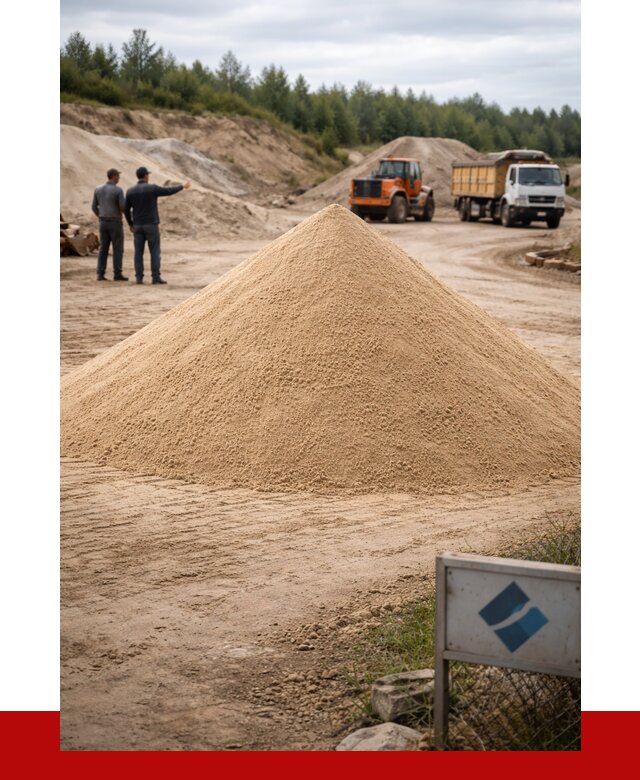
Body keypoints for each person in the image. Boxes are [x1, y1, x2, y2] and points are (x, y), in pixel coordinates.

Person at [124, 167, 191, 285]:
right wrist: (182, 186)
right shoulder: (152, 188)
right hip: (151, 224)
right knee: (154, 251)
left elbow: (126, 209)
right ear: (145, 176)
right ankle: (155, 277)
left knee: (138, 252)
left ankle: (139, 278)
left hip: (138, 225)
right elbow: (168, 191)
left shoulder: (130, 191)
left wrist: (130, 223)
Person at [91, 168, 128, 281]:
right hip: (115, 222)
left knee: (103, 249)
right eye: (118, 176)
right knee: (117, 249)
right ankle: (117, 274)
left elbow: (93, 207)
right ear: (113, 176)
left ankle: (100, 274)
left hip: (103, 222)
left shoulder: (98, 189)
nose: (119, 178)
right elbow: (122, 207)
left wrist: (100, 216)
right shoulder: (118, 190)